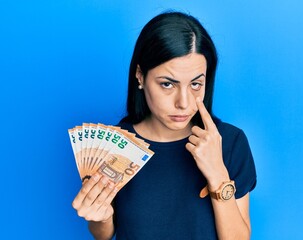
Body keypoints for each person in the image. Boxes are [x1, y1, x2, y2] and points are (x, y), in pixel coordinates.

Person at [72, 11, 257, 240]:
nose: (184, 103)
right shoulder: (114, 146)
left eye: (196, 84)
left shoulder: (229, 142)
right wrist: (100, 216)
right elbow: (104, 235)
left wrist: (217, 174)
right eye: (168, 84)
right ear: (140, 76)